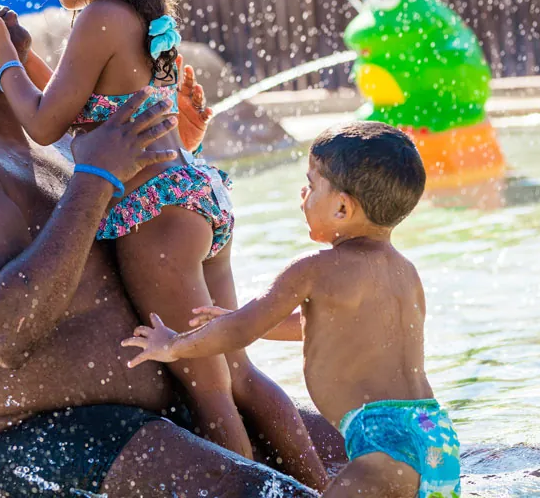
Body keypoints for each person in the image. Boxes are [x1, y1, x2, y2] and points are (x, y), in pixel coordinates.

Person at [0, 0, 327, 488]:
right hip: (193, 197)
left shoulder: (97, 19)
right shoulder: (142, 12)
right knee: (242, 373)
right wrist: (18, 42)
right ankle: (326, 487)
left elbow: (43, 121)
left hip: (154, 220)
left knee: (211, 392)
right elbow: (80, 98)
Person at [0, 0, 331, 497]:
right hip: (9, 439)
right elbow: (3, 332)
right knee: (266, 493)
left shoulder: (34, 133)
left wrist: (166, 155)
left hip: (147, 408)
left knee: (369, 459)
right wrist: (97, 173)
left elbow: (115, 225)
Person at [124, 122, 463, 498]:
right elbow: (321, 327)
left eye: (312, 184)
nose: (303, 193)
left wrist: (174, 344)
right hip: (435, 436)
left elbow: (242, 331)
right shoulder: (405, 272)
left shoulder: (314, 269)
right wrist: (246, 323)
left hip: (381, 440)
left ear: (341, 207)